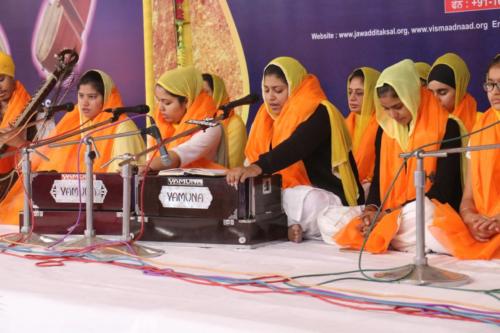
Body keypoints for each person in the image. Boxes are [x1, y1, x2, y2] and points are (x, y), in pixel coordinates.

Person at [226, 56, 363, 243]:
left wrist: (257, 167)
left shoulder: (318, 111)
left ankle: (282, 227)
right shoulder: (264, 117)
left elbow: (295, 147)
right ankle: (285, 227)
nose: (270, 97)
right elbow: (252, 157)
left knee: (306, 200)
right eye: (266, 90)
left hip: (325, 196)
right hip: (283, 193)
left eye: (278, 90)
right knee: (259, 197)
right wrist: (243, 176)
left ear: (294, 87)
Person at [331, 59, 463, 254]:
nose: (393, 115)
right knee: (328, 217)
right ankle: (388, 234)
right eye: (386, 108)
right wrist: (372, 209)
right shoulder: (385, 130)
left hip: (426, 211)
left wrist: (390, 214)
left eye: (398, 106)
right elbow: (378, 179)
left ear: (412, 97)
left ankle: (385, 233)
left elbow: (443, 192)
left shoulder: (447, 126)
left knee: (424, 212)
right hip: (392, 214)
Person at [0, 69, 145, 224]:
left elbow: (119, 184)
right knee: (18, 210)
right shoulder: (73, 122)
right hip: (68, 200)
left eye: (92, 97)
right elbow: (47, 159)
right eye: (81, 96)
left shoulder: (122, 127)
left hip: (104, 208)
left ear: (107, 97)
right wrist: (21, 145)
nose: (84, 103)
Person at [429, 54, 500, 259]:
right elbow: (468, 197)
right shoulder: (481, 127)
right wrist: (471, 218)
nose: (495, 92)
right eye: (490, 84)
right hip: (483, 222)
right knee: (431, 228)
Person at [146, 66, 224, 171]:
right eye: (159, 101)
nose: (160, 109)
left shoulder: (210, 126)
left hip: (203, 186)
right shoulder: (159, 125)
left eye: (167, 103)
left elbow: (179, 155)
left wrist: (146, 167)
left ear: (186, 101)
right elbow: (150, 157)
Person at [0, 51, 31, 199]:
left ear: (12, 77)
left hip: (23, 189)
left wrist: (20, 143)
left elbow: (49, 159)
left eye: (1, 79)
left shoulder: (35, 112)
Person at [344, 67, 380, 196]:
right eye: (350, 92)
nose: (352, 98)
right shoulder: (344, 124)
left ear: (372, 93)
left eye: (359, 93)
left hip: (375, 190)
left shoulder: (383, 125)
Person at [202, 73, 247, 168]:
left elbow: (232, 165)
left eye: (206, 93)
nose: (202, 98)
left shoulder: (235, 123)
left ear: (217, 94)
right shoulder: (196, 121)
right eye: (198, 94)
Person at [427, 53, 477, 132]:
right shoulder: (423, 124)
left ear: (459, 91)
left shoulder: (481, 123)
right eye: (430, 93)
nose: (435, 99)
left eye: (442, 92)